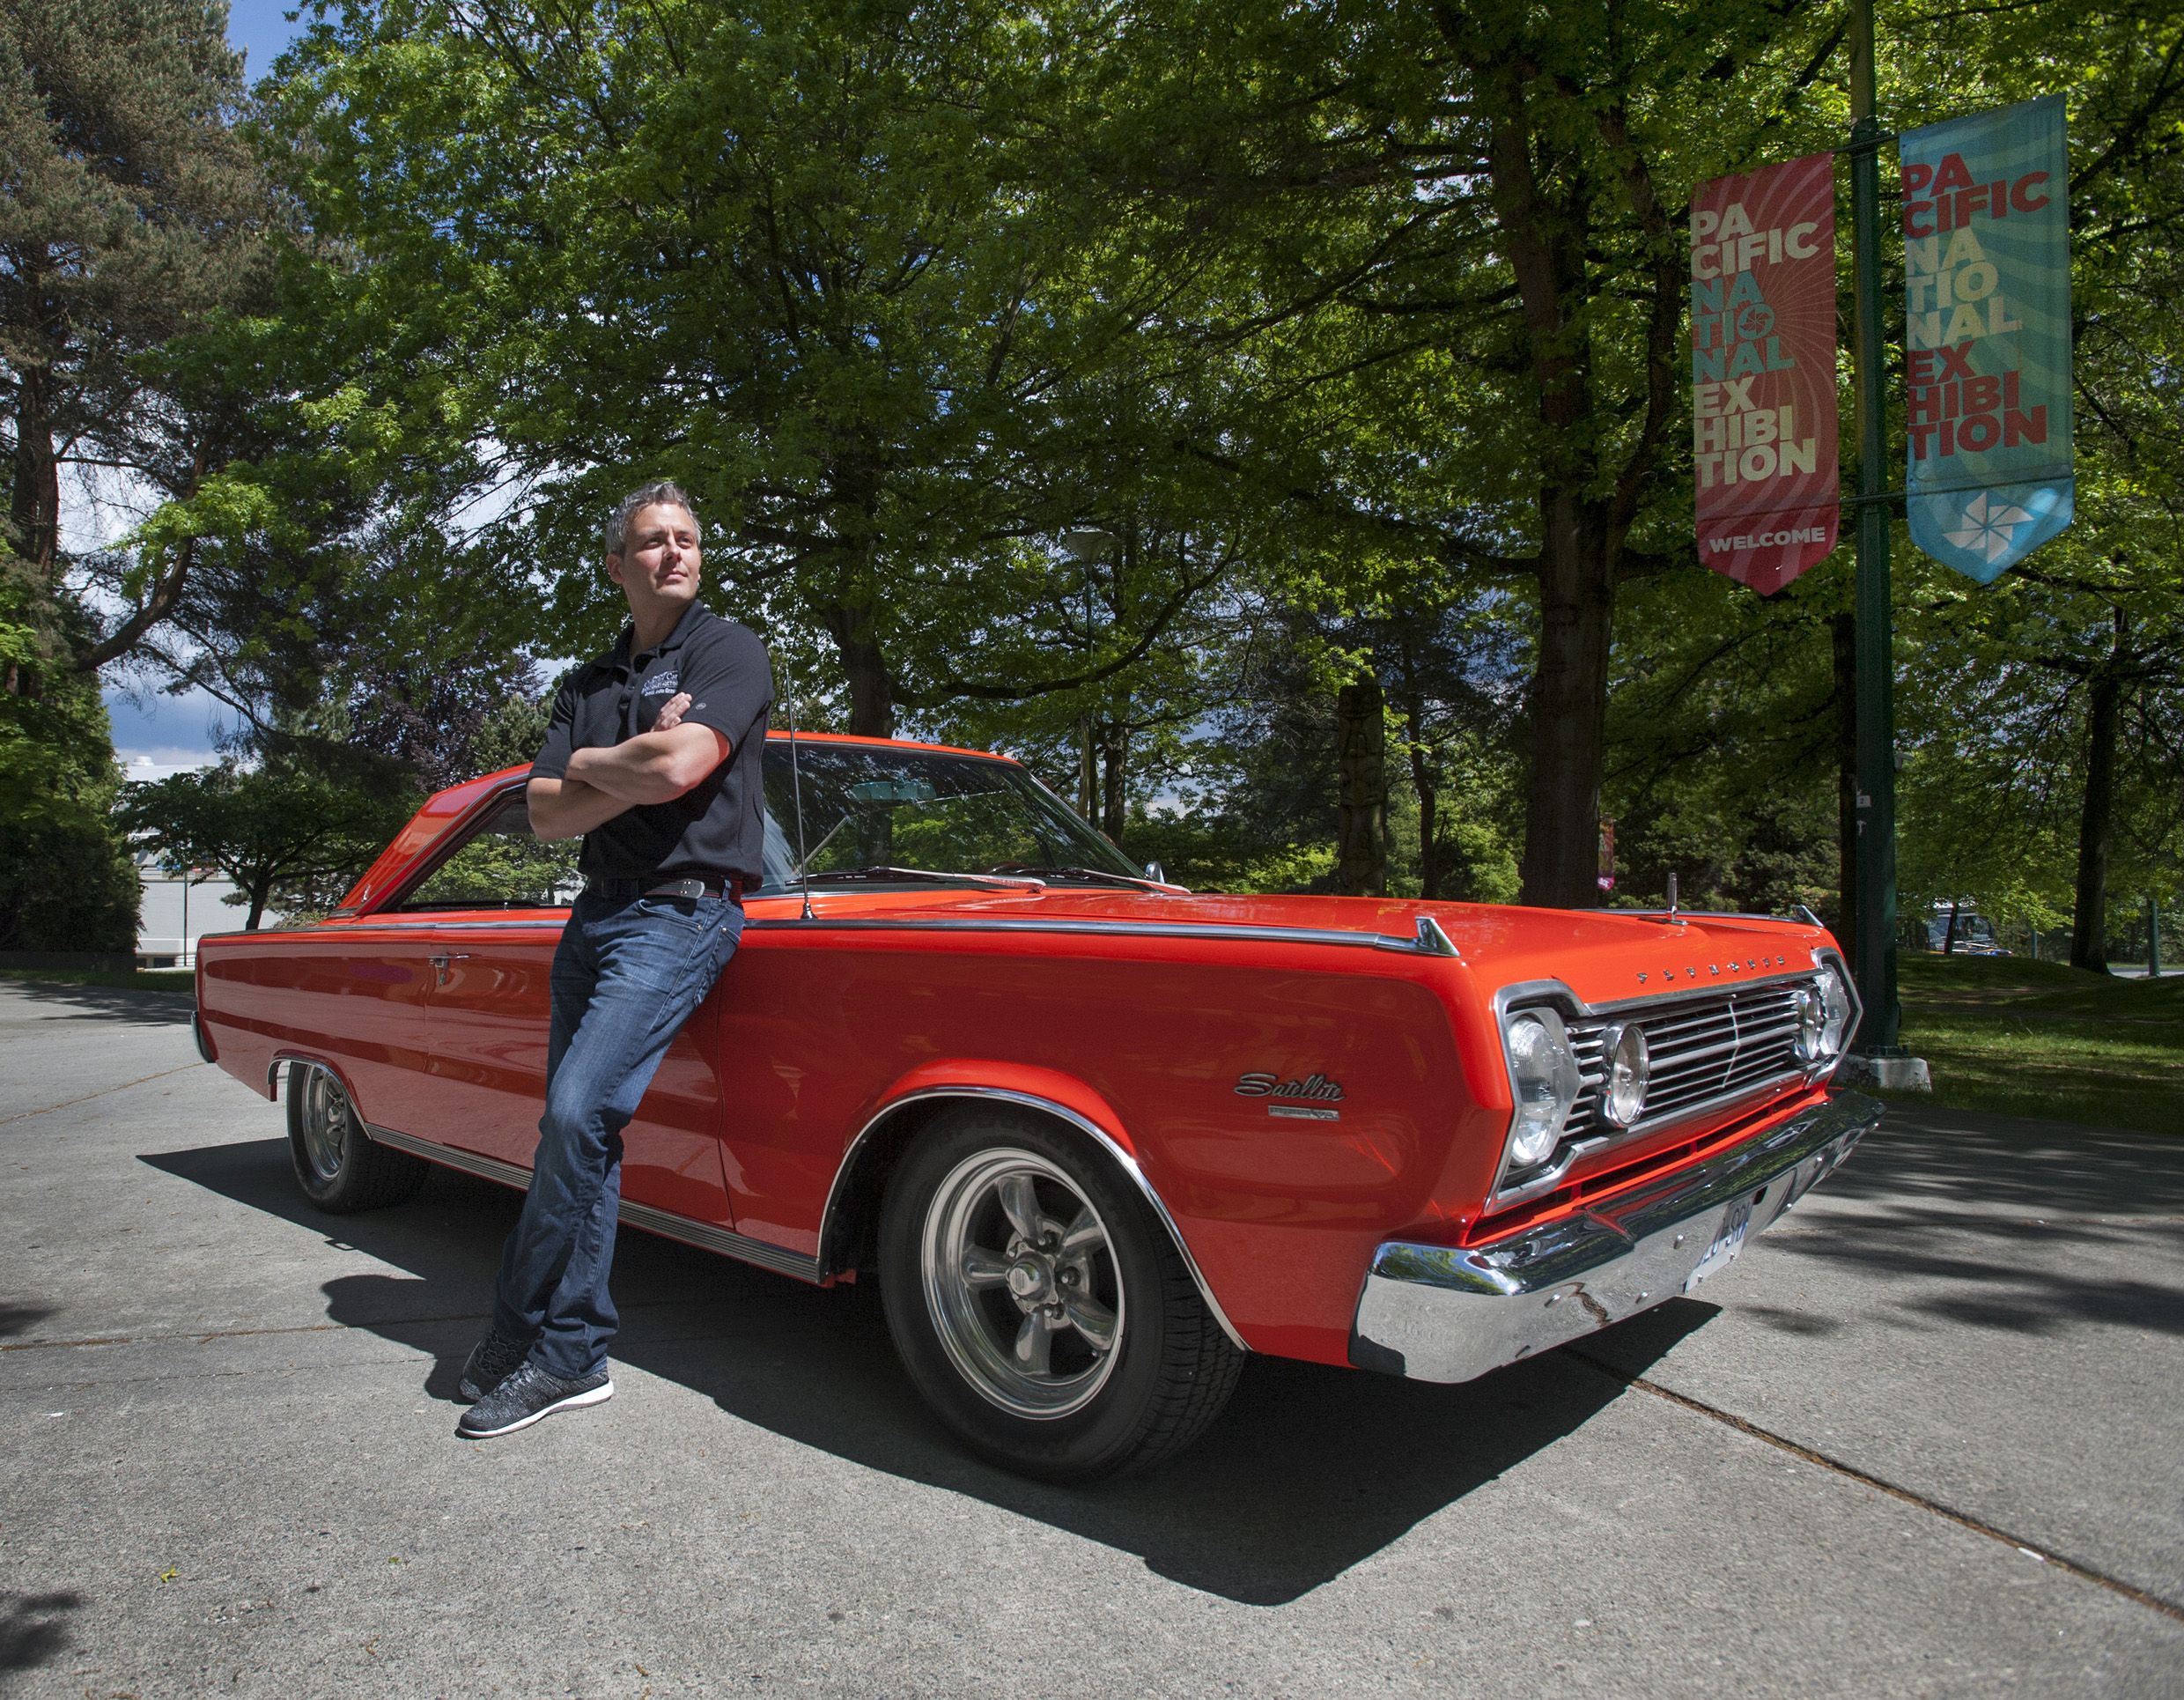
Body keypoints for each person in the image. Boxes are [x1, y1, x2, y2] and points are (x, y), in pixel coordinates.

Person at [454, 480, 772, 1439]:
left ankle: (540, 1339)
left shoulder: (729, 649)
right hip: (594, 917)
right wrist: (626, 754)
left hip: (683, 913)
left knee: (573, 1111)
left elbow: (676, 769)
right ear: (615, 563)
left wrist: (596, 765)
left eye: (686, 538)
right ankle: (566, 1348)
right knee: (576, 1136)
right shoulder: (586, 683)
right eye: (651, 541)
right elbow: (546, 816)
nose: (673, 553)